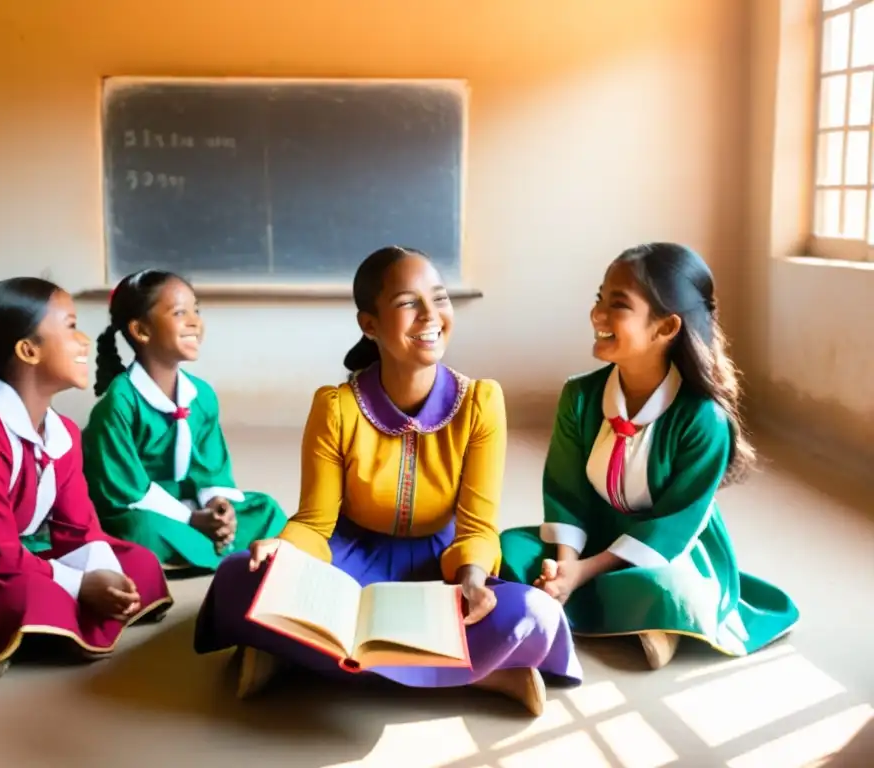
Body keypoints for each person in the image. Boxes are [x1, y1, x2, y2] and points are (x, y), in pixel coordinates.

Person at [194, 246, 582, 716]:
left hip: (441, 571)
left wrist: (473, 580)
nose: (430, 315)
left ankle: (296, 660)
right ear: (369, 324)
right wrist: (285, 548)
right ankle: (480, 673)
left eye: (439, 299)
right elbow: (316, 522)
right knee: (241, 576)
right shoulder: (335, 406)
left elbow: (478, 527)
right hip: (346, 562)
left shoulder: (482, 402)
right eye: (407, 303)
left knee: (533, 613)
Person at [499, 243, 799, 670]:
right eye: (598, 298)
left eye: (617, 304)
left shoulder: (703, 418)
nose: (598, 314)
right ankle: (613, 610)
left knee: (668, 588)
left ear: (665, 327)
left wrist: (581, 574)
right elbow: (566, 492)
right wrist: (566, 564)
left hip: (667, 549)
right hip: (593, 532)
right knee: (507, 547)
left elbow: (674, 527)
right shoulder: (579, 396)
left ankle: (636, 613)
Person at [0, 278, 173, 681]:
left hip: (14, 558)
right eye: (71, 326)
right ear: (29, 350)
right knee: (24, 593)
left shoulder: (65, 433)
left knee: (138, 563)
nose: (84, 341)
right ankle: (19, 628)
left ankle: (41, 627)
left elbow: (79, 530)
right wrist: (81, 583)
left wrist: (102, 572)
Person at [83, 269, 286, 572]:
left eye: (197, 310)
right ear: (142, 330)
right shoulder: (118, 403)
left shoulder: (201, 395)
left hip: (189, 501)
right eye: (180, 312)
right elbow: (125, 492)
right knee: (138, 531)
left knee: (265, 509)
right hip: (141, 507)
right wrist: (190, 518)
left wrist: (219, 506)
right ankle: (209, 544)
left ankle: (206, 540)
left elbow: (211, 469)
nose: (195, 322)